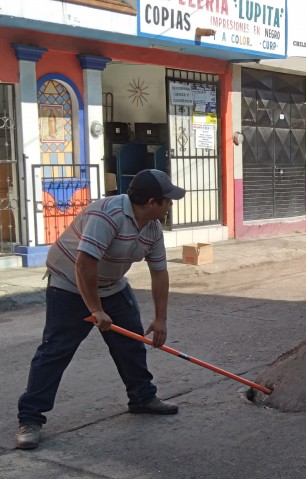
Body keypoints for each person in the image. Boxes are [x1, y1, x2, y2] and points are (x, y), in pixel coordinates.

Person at [15, 169, 185, 450]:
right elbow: (84, 265)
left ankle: (142, 397)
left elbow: (160, 273)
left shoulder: (152, 228)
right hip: (70, 282)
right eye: (168, 200)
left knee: (131, 342)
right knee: (56, 350)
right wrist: (96, 309)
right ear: (153, 202)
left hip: (112, 284)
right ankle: (30, 418)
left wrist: (161, 319)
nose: (171, 205)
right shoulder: (108, 215)